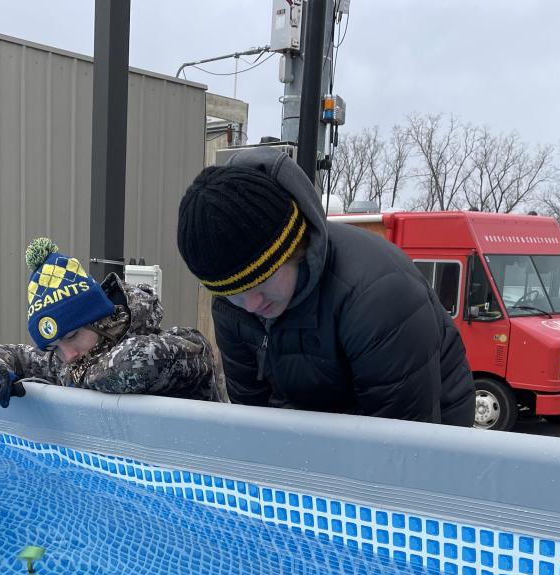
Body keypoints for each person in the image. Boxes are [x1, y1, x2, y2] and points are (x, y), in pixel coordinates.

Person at [175, 149, 474, 426]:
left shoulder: (378, 296)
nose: (251, 305)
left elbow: (400, 442)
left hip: (426, 432)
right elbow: (253, 419)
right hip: (315, 431)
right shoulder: (232, 308)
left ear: (295, 248)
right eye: (233, 292)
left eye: (263, 281)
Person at [0, 237, 222, 406]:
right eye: (55, 346)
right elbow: (18, 355)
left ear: (100, 320)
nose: (68, 356)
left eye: (72, 336)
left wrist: (75, 378)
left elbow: (139, 362)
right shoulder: (72, 359)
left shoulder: (179, 347)